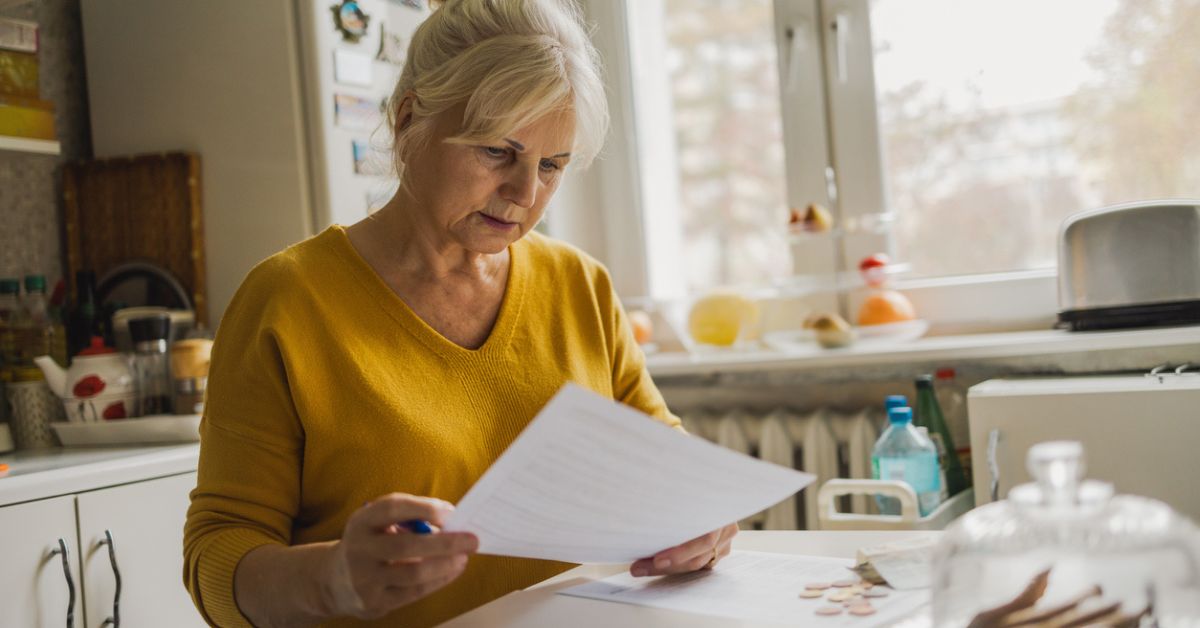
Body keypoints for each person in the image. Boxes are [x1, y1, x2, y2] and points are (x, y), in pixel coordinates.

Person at [183, 1, 737, 626]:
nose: (525, 195)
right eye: (499, 152)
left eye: (551, 166)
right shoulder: (287, 301)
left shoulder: (579, 286)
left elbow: (667, 465)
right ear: (409, 117)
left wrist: (701, 522)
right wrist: (333, 579)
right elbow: (218, 551)